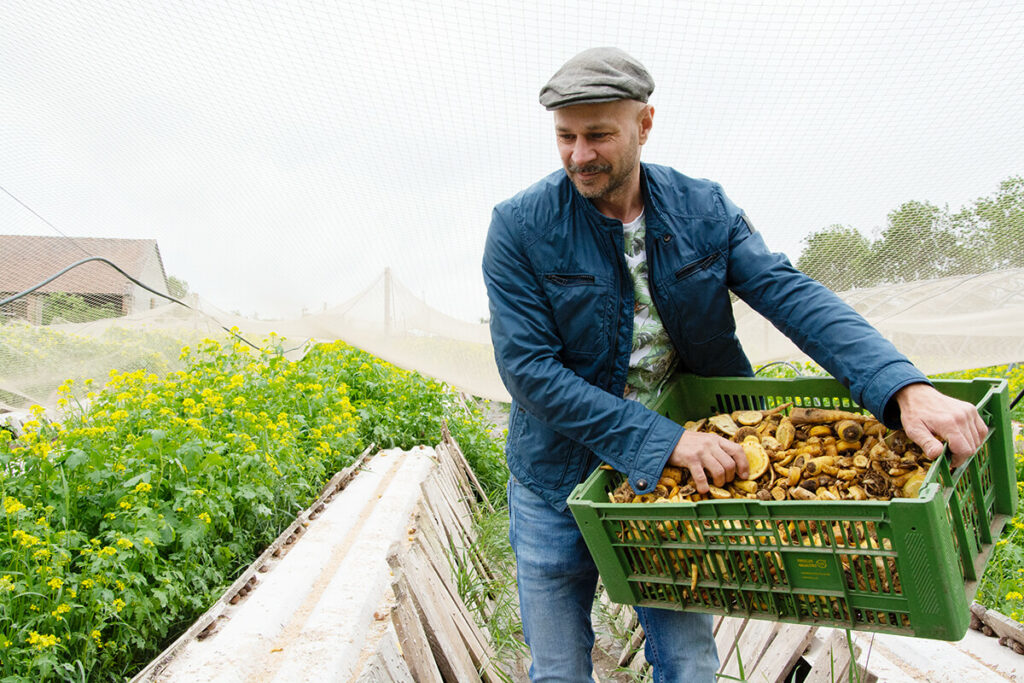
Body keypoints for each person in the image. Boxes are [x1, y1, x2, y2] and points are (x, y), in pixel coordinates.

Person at [481, 47, 988, 682]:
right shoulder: (521, 227)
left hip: (677, 486)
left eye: (599, 135)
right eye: (565, 137)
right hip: (557, 476)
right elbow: (529, 371)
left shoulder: (703, 210)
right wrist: (666, 440)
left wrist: (905, 387)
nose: (580, 155)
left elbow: (790, 295)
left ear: (645, 124)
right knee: (557, 668)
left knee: (689, 662)